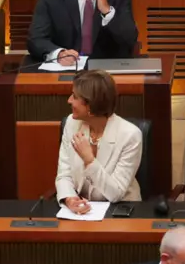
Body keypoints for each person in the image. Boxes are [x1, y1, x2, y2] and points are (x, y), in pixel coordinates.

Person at [55, 69, 142, 215]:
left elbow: (116, 193)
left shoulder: (130, 135)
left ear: (90, 106)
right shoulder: (72, 124)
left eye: (74, 96)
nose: (69, 100)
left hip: (120, 211)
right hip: (81, 212)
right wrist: (70, 199)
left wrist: (89, 160)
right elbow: (64, 175)